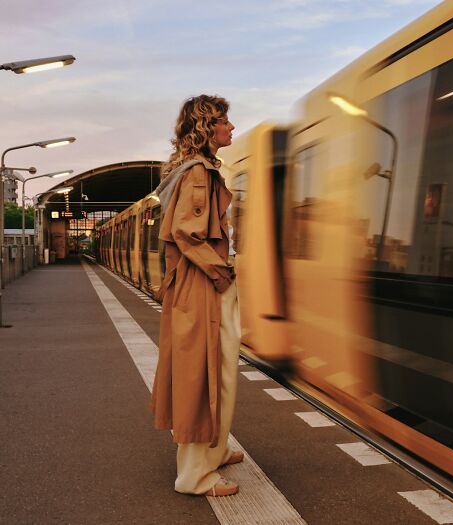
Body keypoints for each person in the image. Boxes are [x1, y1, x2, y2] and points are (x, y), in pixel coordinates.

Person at [150, 94, 242, 497]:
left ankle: (214, 452)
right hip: (203, 284)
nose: (231, 127)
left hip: (199, 282)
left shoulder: (197, 170)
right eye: (224, 121)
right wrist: (223, 274)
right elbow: (188, 233)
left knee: (216, 373)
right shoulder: (200, 173)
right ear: (207, 127)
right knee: (202, 378)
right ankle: (194, 476)